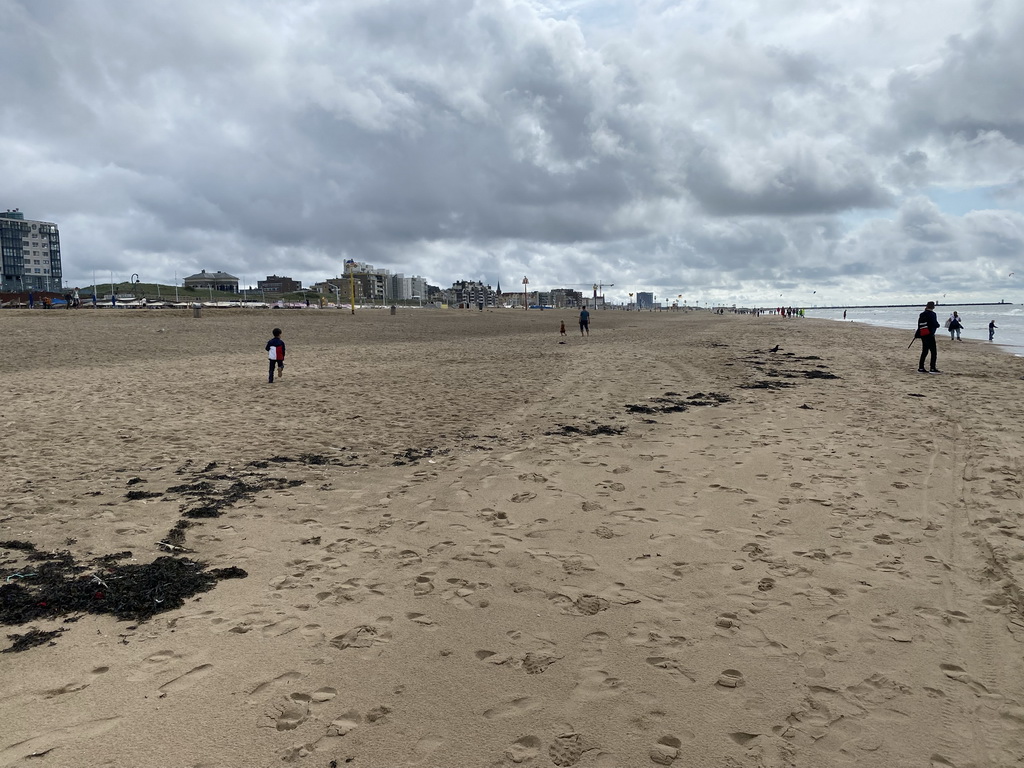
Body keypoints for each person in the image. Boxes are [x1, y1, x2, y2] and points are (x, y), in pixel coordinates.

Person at [916, 301, 941, 374]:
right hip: (930, 334)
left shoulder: (922, 314)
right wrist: (938, 325)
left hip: (923, 334)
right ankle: (932, 368)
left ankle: (921, 368)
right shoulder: (932, 314)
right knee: (933, 352)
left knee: (924, 351)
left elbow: (919, 325)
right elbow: (934, 323)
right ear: (933, 307)